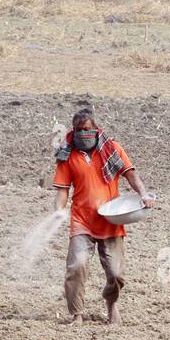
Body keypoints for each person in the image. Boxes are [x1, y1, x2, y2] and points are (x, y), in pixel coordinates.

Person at [52, 110, 154, 325]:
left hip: (110, 220)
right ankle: (77, 314)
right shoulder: (67, 155)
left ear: (96, 129)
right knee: (77, 266)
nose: (83, 134)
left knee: (116, 273)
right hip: (82, 220)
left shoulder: (111, 149)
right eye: (79, 131)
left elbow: (131, 174)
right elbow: (62, 190)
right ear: (73, 130)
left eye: (87, 130)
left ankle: (111, 304)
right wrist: (59, 210)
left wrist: (143, 194)